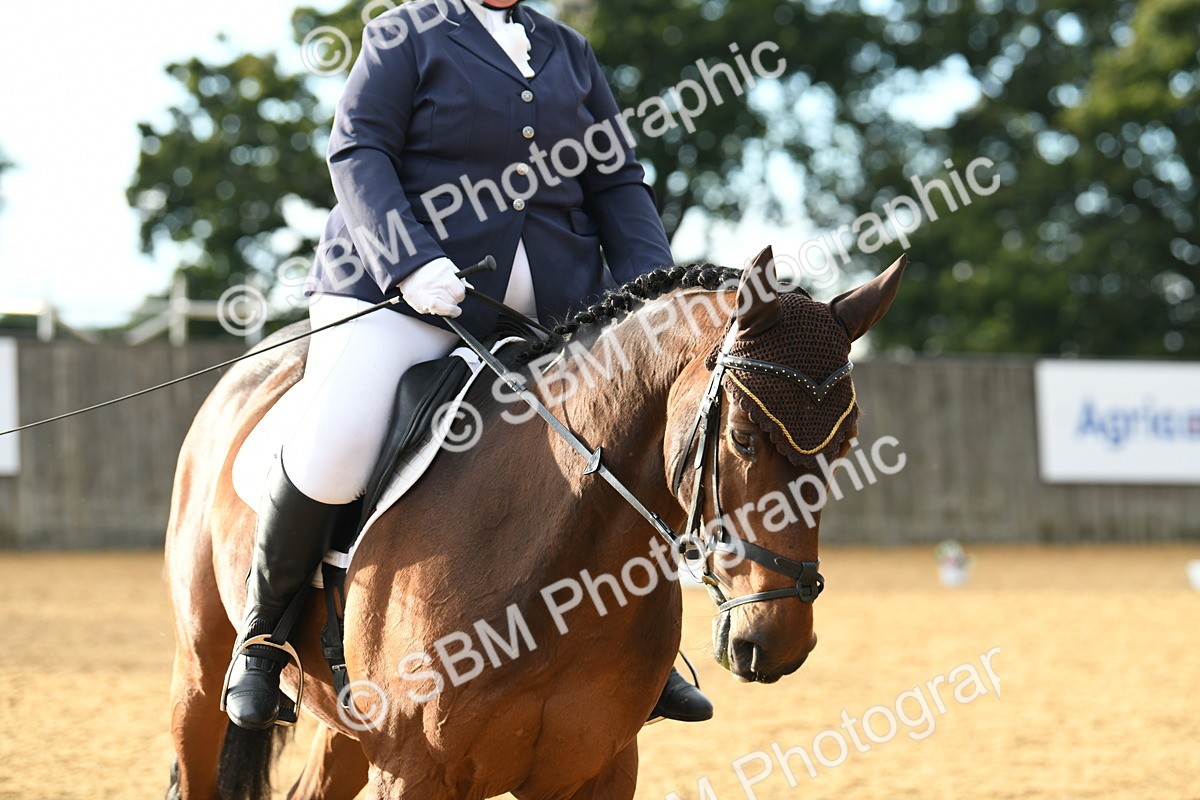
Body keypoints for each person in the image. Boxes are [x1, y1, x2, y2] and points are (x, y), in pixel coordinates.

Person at [222, 0, 713, 730]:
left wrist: (657, 298)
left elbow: (616, 183)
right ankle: (263, 636)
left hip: (555, 309)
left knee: (620, 445)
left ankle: (641, 647)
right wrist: (410, 261)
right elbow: (359, 151)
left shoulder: (569, 51)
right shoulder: (404, 33)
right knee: (335, 450)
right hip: (407, 294)